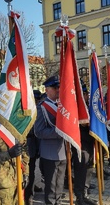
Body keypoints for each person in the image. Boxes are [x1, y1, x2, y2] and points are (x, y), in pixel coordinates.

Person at [0, 113, 29, 205]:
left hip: (18, 178)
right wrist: (8, 154)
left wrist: (26, 173)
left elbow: (24, 153)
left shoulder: (18, 126)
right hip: (3, 183)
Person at [34, 75, 67, 205]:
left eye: (59, 87)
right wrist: (58, 133)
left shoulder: (63, 105)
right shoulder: (42, 107)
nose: (58, 89)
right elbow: (38, 131)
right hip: (49, 152)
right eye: (54, 87)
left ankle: (57, 202)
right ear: (47, 90)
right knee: (52, 183)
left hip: (63, 150)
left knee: (60, 182)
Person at [72, 84, 98, 205]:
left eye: (86, 94)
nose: (86, 96)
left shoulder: (90, 107)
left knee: (89, 168)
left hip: (90, 143)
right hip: (80, 143)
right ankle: (79, 196)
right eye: (84, 94)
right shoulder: (75, 108)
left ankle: (85, 193)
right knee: (81, 170)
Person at [24, 89, 43, 205]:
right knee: (29, 170)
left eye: (37, 100)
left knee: (34, 168)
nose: (36, 102)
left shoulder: (39, 109)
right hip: (28, 142)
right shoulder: (25, 110)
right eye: (34, 99)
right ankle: (28, 195)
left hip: (37, 142)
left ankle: (32, 187)